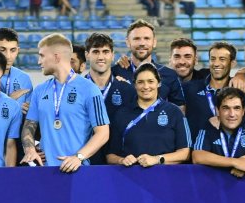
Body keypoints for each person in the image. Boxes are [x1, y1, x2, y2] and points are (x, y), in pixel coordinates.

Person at [22, 34, 110, 171]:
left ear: (56, 57)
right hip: (45, 171)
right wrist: (29, 150)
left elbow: (103, 132)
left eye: (42, 56)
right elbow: (29, 126)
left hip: (78, 171)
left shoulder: (89, 89)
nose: (39, 61)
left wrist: (78, 157)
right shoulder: (40, 91)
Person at [105, 63, 191, 167]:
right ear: (135, 85)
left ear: (159, 83)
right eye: (140, 82)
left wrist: (157, 159)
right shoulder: (121, 114)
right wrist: (122, 160)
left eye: (150, 82)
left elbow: (185, 153)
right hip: (130, 177)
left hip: (167, 178)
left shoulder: (174, 112)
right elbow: (110, 155)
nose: (146, 87)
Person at [83, 33, 137, 164]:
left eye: (105, 52)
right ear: (87, 55)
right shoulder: (76, 89)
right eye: (95, 52)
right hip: (84, 159)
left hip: (119, 161)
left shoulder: (127, 90)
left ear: (112, 55)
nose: (101, 57)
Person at [112, 19, 185, 106]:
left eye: (146, 38)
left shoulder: (169, 74)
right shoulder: (115, 72)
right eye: (136, 39)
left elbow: (180, 109)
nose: (142, 43)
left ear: (154, 42)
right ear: (128, 42)